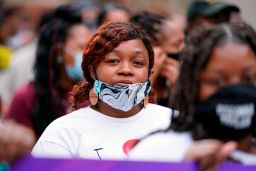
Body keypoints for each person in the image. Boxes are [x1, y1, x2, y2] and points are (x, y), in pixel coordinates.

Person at [32, 22, 172, 160]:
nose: (126, 70)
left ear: (149, 72)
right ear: (92, 70)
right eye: (113, 61)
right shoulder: (63, 134)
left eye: (137, 62)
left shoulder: (173, 124)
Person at [128, 23, 256, 169]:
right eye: (216, 81)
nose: (235, 91)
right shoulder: (156, 152)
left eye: (249, 79)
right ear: (193, 86)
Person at [0, 4, 92, 163]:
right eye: (81, 47)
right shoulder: (27, 96)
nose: (88, 55)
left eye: (91, 47)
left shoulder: (96, 95)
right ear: (59, 52)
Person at [131, 11, 184, 107]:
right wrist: (150, 78)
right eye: (177, 44)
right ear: (153, 49)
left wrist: (177, 91)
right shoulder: (128, 82)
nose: (183, 49)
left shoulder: (177, 79)